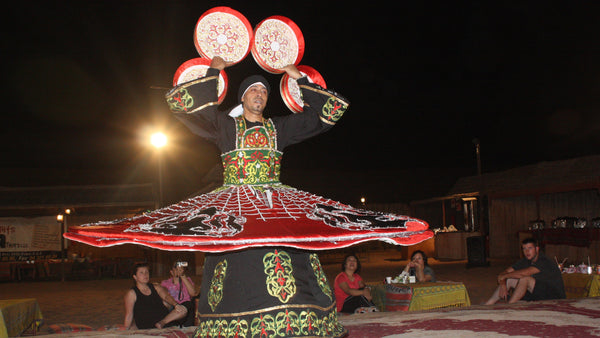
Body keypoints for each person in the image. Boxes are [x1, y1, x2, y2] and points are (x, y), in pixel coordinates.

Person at [65, 54, 433, 337]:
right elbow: (181, 106)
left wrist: (297, 78)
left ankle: (301, 318)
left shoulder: (279, 128)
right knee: (235, 249)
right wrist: (214, 71)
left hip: (276, 202)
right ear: (243, 98)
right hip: (234, 203)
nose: (259, 94)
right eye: (252, 91)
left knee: (291, 244)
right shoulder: (226, 126)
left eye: (263, 91)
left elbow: (327, 115)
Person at [485, 237, 565, 305]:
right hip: (537, 293)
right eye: (524, 249)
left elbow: (523, 273)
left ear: (537, 249)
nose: (527, 252)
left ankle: (510, 305)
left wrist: (504, 276)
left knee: (525, 279)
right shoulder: (525, 260)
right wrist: (503, 284)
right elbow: (503, 273)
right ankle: (488, 304)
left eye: (530, 248)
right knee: (510, 279)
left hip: (553, 296)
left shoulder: (544, 261)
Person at [124, 263, 187, 330]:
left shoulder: (156, 287)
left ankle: (161, 323)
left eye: (147, 272)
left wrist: (176, 305)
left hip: (162, 320)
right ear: (135, 277)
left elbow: (166, 296)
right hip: (146, 323)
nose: (145, 275)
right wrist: (125, 330)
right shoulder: (132, 293)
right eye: (141, 273)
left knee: (183, 310)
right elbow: (129, 314)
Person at [160, 261, 197, 327]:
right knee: (164, 302)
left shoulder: (187, 280)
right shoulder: (165, 283)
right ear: (171, 272)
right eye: (176, 269)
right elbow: (163, 295)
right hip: (172, 307)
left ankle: (163, 322)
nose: (179, 271)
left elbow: (193, 294)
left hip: (185, 308)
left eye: (180, 269)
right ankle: (164, 322)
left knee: (188, 304)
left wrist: (182, 276)